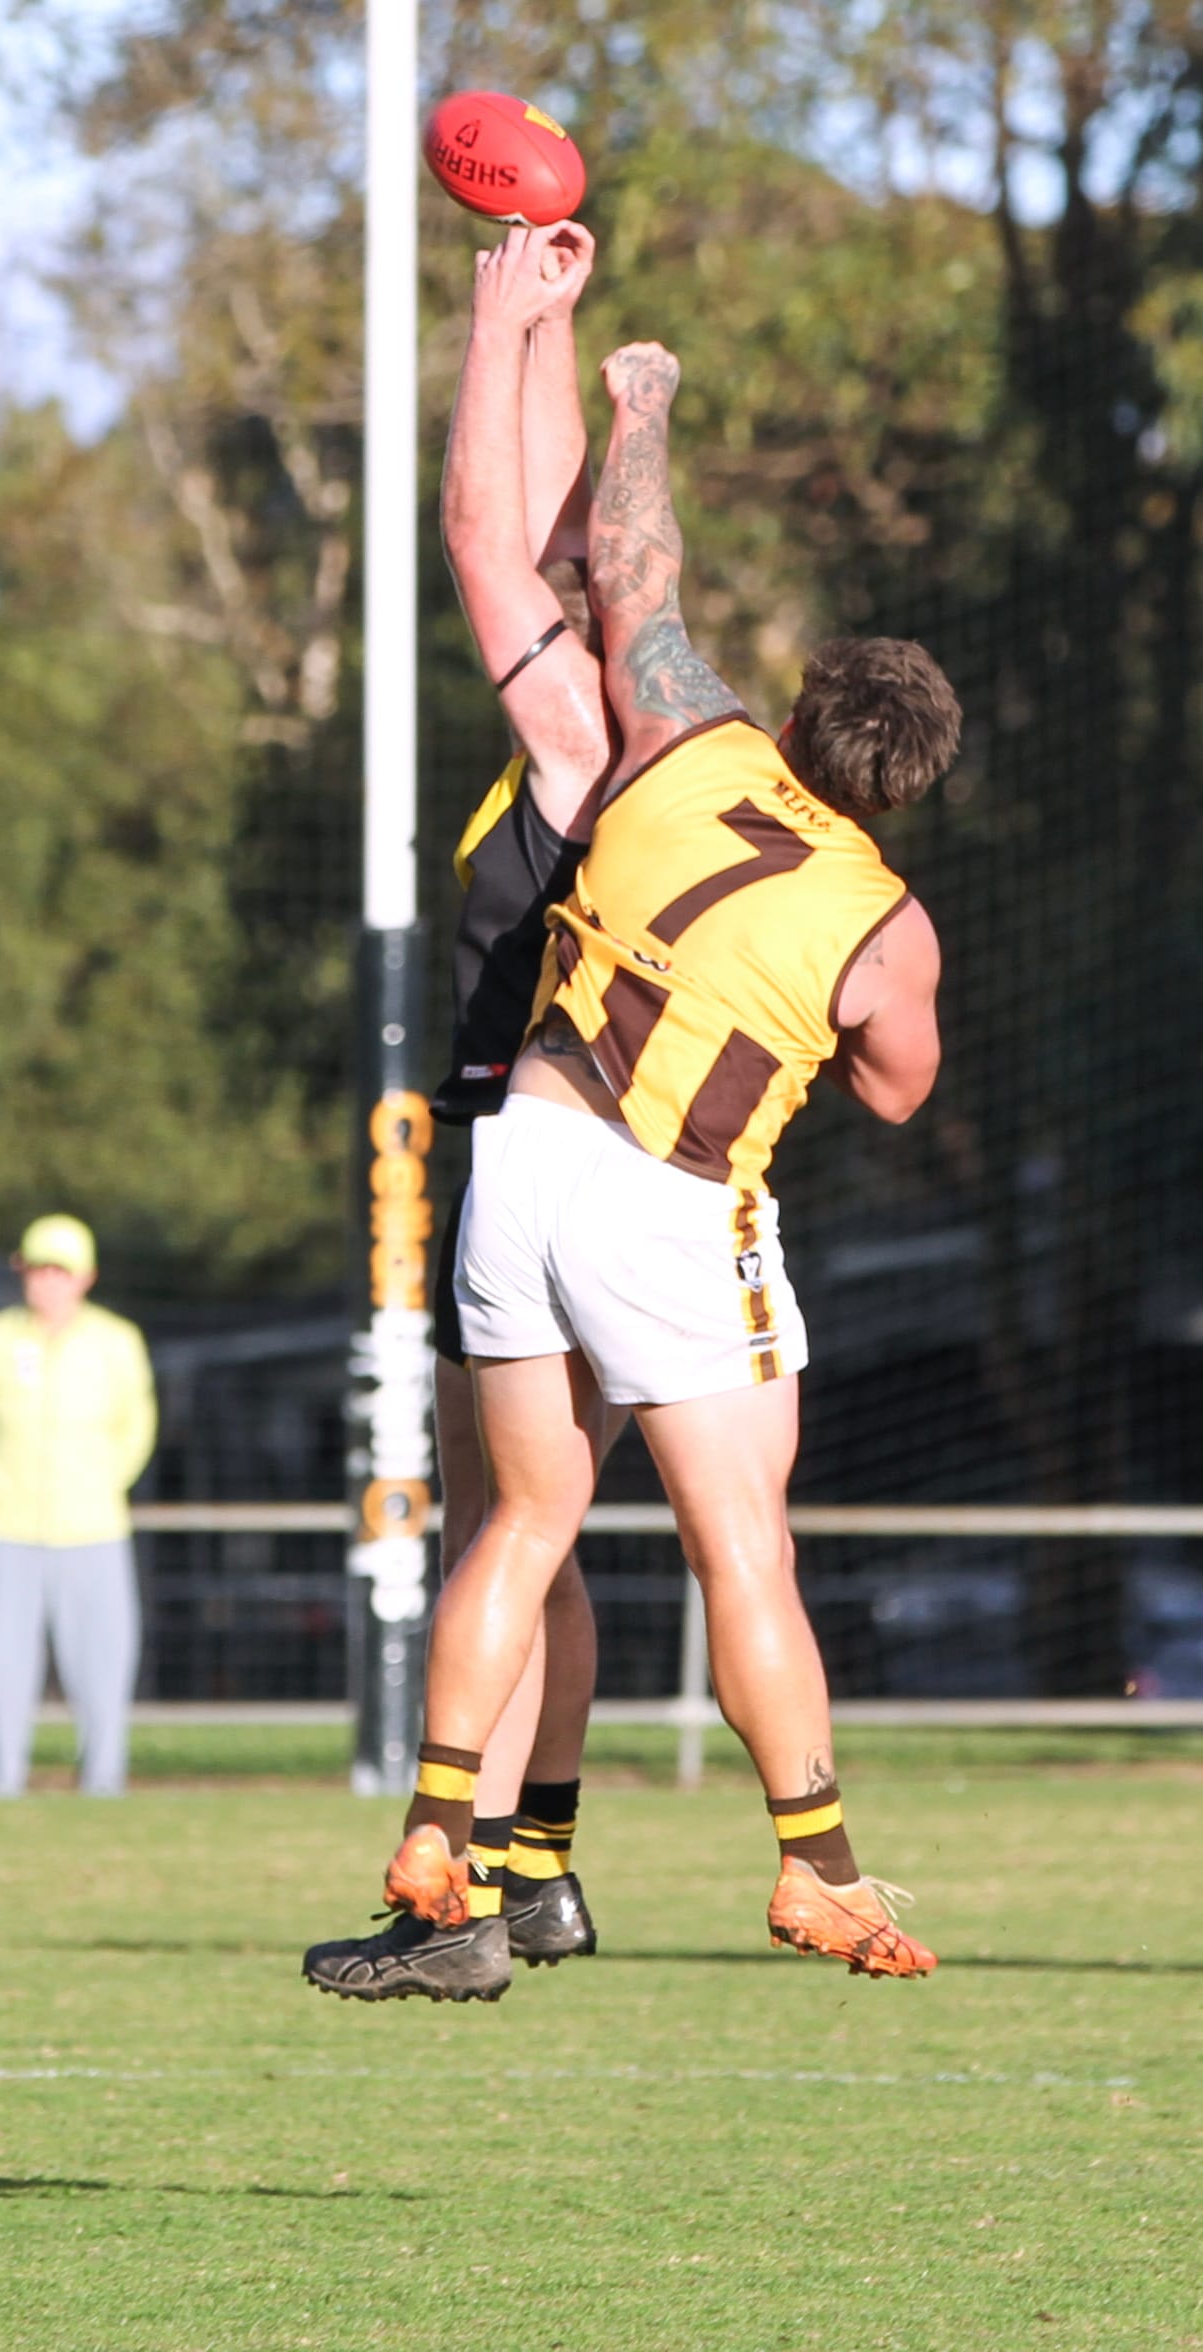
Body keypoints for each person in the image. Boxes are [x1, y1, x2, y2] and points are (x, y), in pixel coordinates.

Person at [382, 238, 962, 1981]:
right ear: (912, 789)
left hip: (517, 1160)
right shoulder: (886, 915)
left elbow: (626, 560)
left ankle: (441, 1830)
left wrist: (636, 393)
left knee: (522, 1522)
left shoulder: (674, 736)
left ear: (792, 708)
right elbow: (898, 1087)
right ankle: (818, 1864)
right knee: (742, 1546)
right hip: (663, 1192)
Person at [305, 220, 624, 2005]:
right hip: (613, 1166)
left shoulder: (580, 735)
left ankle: (469, 1902)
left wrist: (491, 321)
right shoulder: (631, 719)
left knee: (499, 1535)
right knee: (543, 1525)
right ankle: (539, 1865)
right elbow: (564, 527)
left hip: (528, 1153)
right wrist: (555, 336)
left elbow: (483, 538)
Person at [0, 1212, 157, 1798]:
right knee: (4, 1674)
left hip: (94, 1531)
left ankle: (103, 1792)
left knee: (102, 1676)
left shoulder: (117, 1342)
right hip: (5, 1529)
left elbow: (136, 1429)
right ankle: (0, 1788)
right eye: (38, 1269)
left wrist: (98, 1485)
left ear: (86, 1276)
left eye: (61, 1271)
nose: (49, 1283)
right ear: (20, 1270)